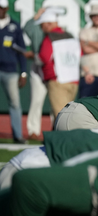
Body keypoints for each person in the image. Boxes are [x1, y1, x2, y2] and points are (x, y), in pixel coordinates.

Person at [37, 8, 81, 119]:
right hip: (73, 81)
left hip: (58, 80)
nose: (41, 29)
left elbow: (44, 57)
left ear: (48, 24)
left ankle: (65, 137)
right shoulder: (70, 36)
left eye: (42, 25)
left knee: (61, 116)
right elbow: (79, 55)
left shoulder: (49, 38)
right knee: (68, 114)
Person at [0, 0, 27, 143]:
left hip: (10, 70)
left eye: (1, 8)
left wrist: (23, 72)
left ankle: (18, 135)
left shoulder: (14, 26)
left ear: (6, 8)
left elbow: (21, 51)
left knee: (15, 103)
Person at [22, 7, 48, 139]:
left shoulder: (58, 32)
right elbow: (27, 27)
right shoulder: (37, 30)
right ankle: (33, 130)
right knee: (36, 100)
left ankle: (58, 130)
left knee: (58, 102)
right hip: (39, 68)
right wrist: (37, 16)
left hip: (54, 70)